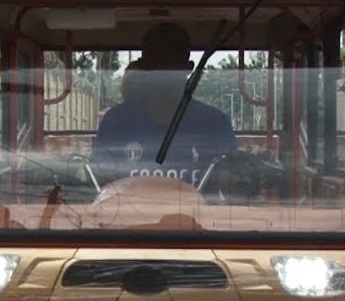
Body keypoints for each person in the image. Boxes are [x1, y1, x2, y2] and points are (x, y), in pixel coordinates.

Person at [92, 22, 237, 184]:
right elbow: (99, 179)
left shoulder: (216, 124)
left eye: (171, 64)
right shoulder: (115, 122)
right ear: (144, 68)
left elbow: (231, 184)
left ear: (188, 68)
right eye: (156, 64)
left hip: (196, 210)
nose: (163, 72)